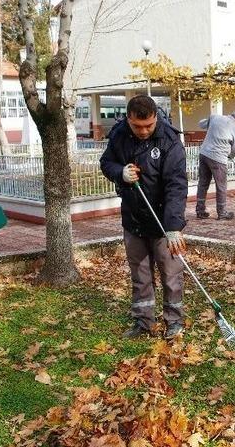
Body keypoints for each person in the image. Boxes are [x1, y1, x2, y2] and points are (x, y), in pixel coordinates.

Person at [100, 95, 189, 340]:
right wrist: (121, 173)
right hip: (134, 219)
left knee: (171, 274)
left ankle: (174, 321)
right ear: (128, 119)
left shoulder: (169, 140)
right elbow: (106, 163)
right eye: (137, 126)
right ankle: (143, 321)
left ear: (155, 118)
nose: (143, 131)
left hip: (163, 223)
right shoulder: (119, 135)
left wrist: (173, 227)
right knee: (140, 274)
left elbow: (177, 186)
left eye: (148, 125)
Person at [196, 110, 235, 220]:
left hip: (204, 153)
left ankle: (200, 210)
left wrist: (211, 122)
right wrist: (229, 156)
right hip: (218, 158)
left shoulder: (215, 117)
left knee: (203, 183)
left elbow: (201, 124)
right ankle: (222, 213)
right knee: (221, 186)